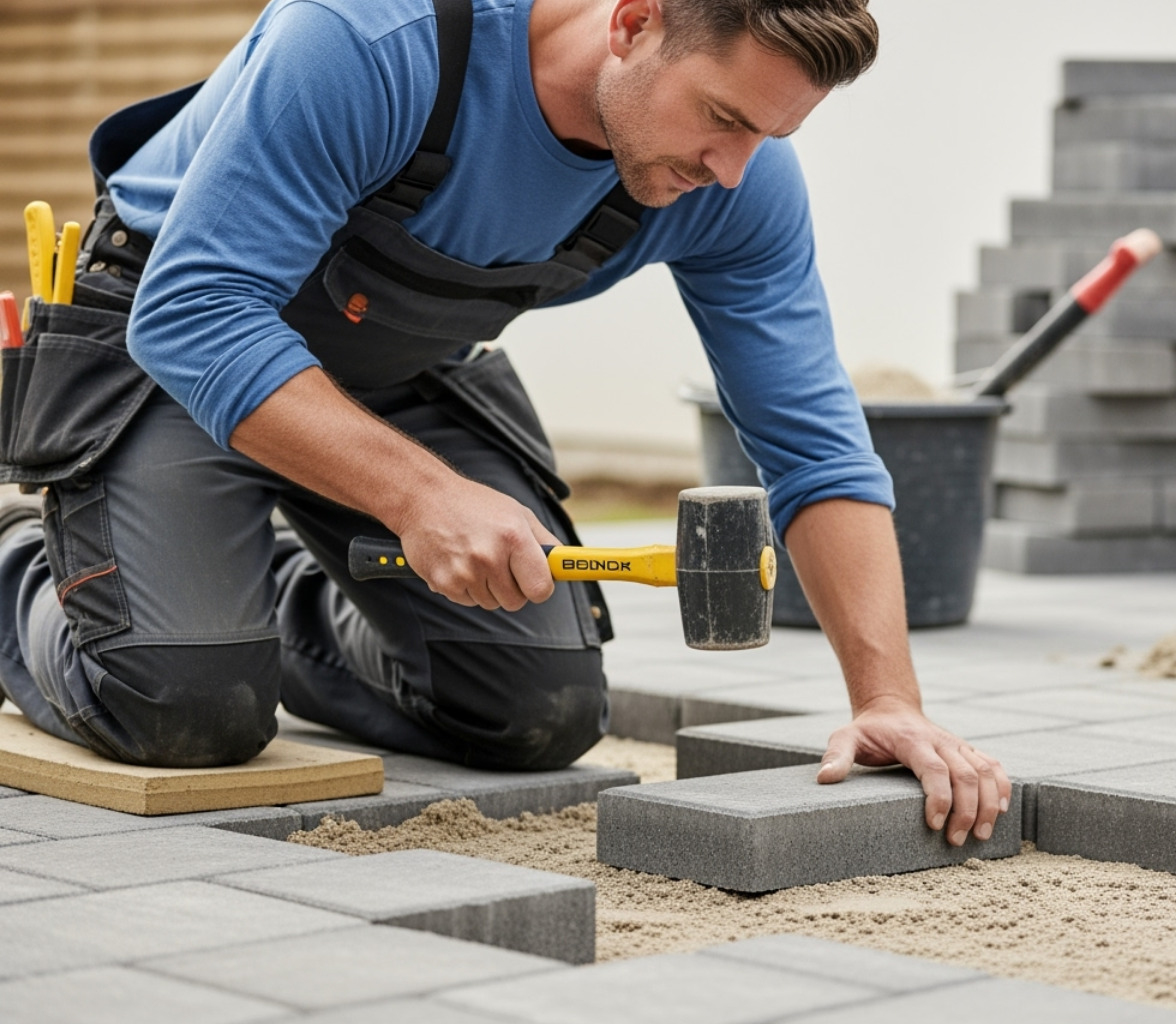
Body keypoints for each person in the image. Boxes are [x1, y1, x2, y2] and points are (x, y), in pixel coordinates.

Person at [0, 0, 1008, 847]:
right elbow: (194, 311)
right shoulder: (372, 41)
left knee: (535, 711)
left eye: (767, 137)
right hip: (174, 336)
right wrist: (421, 494)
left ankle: (237, 593)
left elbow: (815, 444)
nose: (734, 168)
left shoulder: (728, 184)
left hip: (394, 366)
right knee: (186, 707)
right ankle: (26, 564)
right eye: (722, 116)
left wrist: (889, 701)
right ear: (635, 20)